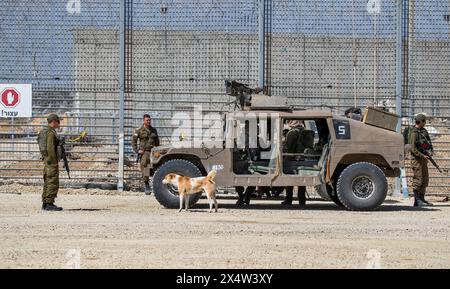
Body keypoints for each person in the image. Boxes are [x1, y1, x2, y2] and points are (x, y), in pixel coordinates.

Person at [38, 114, 63, 211]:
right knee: (52, 181)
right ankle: (49, 203)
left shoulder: (46, 131)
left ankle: (46, 202)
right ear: (54, 121)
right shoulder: (50, 133)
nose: (59, 123)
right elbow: (50, 148)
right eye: (58, 121)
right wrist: (54, 161)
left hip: (47, 161)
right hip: (51, 161)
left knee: (48, 181)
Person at [408, 113, 433, 207]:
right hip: (417, 160)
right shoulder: (414, 133)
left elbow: (427, 143)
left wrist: (430, 151)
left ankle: (422, 198)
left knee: (425, 179)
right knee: (418, 179)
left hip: (424, 158)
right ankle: (417, 200)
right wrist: (422, 155)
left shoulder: (423, 131)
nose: (425, 123)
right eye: (424, 121)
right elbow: (412, 148)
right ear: (421, 121)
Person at [132, 114, 160, 195]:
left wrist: (158, 150)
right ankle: (147, 185)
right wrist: (137, 150)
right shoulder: (139, 130)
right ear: (143, 121)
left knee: (157, 167)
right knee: (146, 168)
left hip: (154, 152)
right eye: (147, 120)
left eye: (149, 120)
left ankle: (156, 184)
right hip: (145, 153)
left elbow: (157, 141)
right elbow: (134, 142)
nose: (148, 121)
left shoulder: (153, 130)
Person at [282, 120, 307, 206]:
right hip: (303, 158)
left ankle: (288, 200)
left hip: (292, 158)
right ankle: (302, 200)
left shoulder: (292, 133)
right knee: (302, 182)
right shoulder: (305, 132)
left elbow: (289, 148)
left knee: (289, 180)